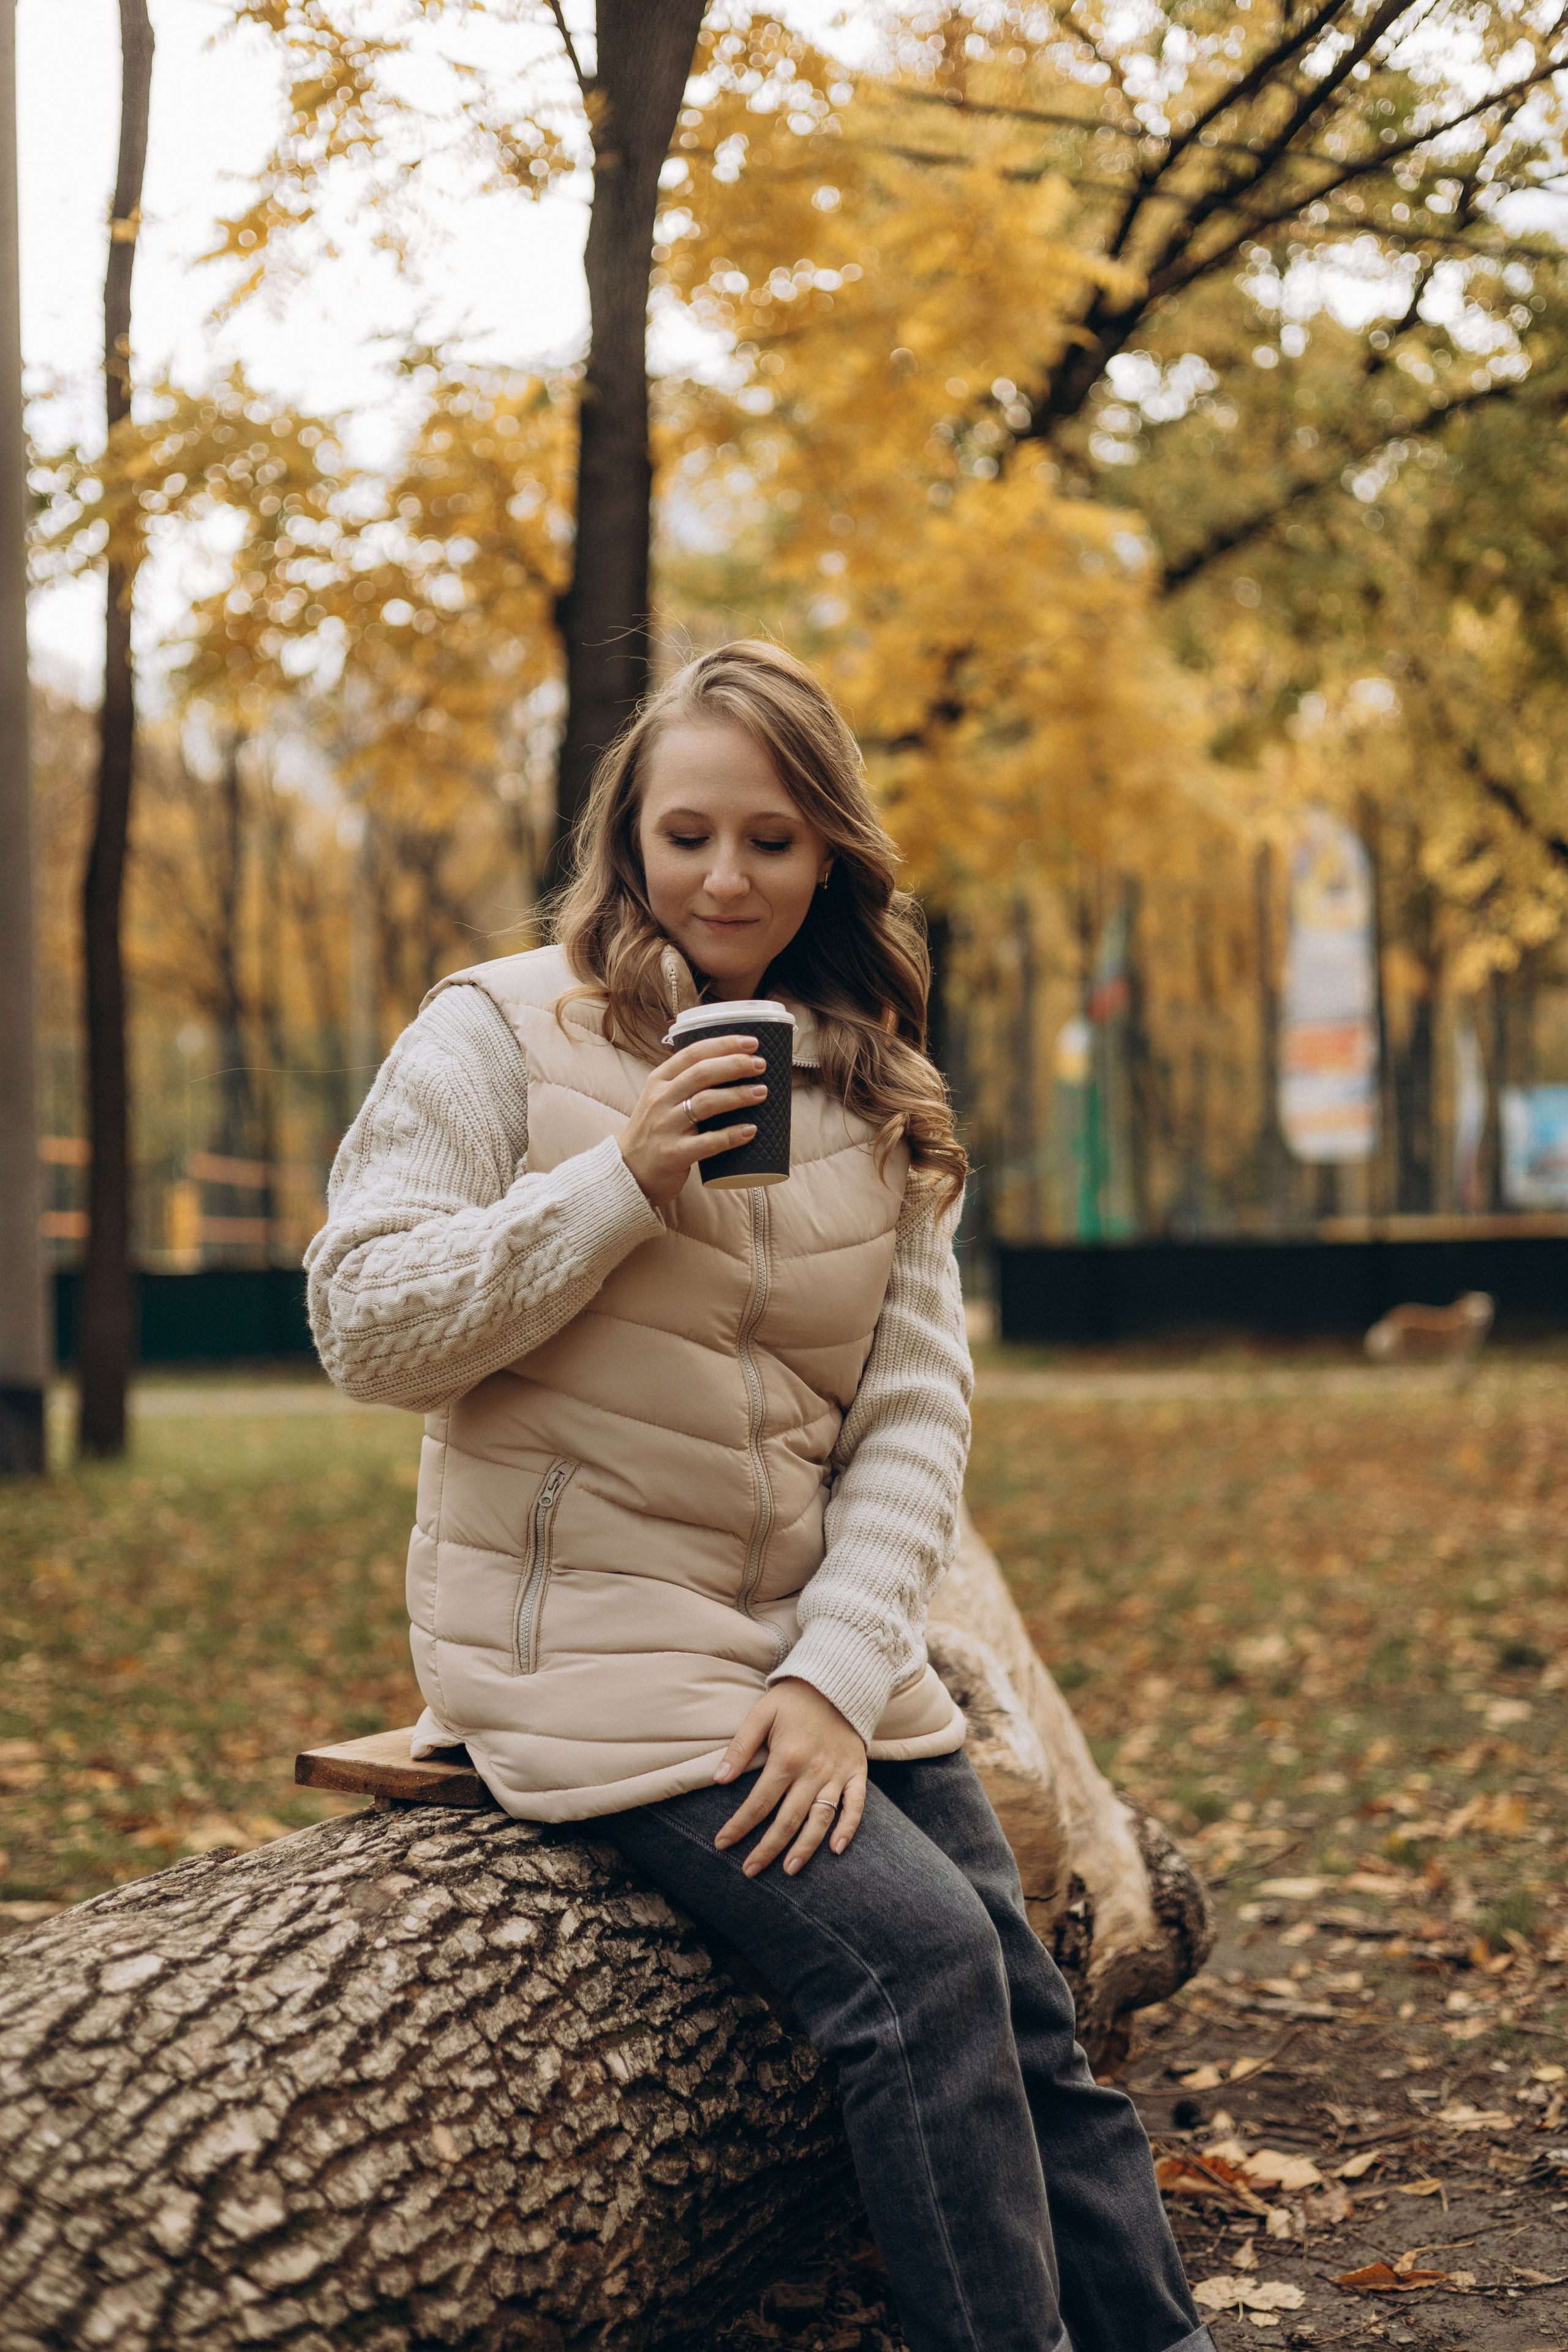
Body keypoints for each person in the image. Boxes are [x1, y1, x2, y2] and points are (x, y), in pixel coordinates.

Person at [306, 642, 1214, 2352]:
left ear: (831, 860)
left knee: (1023, 2004)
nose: (727, 877)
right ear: (625, 840)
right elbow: (369, 1331)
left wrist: (830, 1674)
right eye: (687, 834)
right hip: (582, 1636)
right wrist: (619, 1178)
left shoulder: (879, 1085)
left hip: (804, 1642)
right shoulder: (494, 1031)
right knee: (924, 1973)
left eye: (774, 840)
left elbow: (914, 1426)